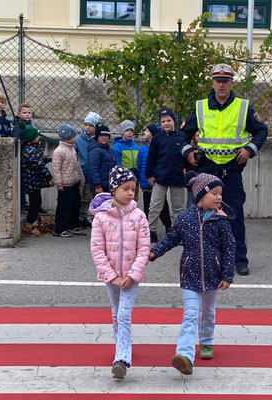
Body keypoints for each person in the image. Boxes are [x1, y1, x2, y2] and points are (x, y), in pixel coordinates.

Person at [180, 63, 268, 276]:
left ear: (231, 83)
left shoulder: (243, 107)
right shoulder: (200, 107)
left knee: (234, 216)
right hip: (207, 169)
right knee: (203, 216)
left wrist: (250, 149)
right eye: (218, 81)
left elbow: (261, 131)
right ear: (213, 83)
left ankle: (239, 260)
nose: (221, 85)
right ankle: (202, 258)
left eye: (225, 81)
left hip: (231, 170)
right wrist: (187, 151)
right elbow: (182, 134)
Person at [149, 171, 235, 375]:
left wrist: (227, 275)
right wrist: (155, 252)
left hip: (213, 275)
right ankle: (185, 355)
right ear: (200, 195)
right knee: (190, 314)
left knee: (208, 312)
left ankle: (206, 342)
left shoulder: (221, 221)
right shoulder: (185, 218)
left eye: (220, 193)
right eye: (214, 193)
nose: (219, 197)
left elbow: (229, 248)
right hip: (189, 275)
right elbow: (171, 239)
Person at [90, 165, 150, 379]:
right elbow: (97, 249)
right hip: (112, 276)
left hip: (132, 276)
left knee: (124, 314)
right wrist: (111, 276)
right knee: (116, 312)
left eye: (133, 189)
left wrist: (133, 275)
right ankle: (121, 345)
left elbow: (144, 248)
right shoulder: (101, 218)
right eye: (126, 189)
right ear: (114, 189)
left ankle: (122, 358)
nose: (130, 193)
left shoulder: (139, 216)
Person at [145, 109, 186, 243]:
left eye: (169, 120)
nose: (166, 123)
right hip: (160, 178)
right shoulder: (157, 139)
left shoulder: (181, 137)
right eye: (163, 121)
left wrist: (189, 175)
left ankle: (178, 233)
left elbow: (187, 158)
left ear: (174, 121)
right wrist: (148, 175)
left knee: (178, 208)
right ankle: (151, 231)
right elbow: (151, 158)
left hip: (177, 178)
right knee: (154, 206)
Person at [137, 124, 172, 233]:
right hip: (146, 183)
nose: (144, 132)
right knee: (148, 208)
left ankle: (168, 226)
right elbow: (139, 165)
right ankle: (149, 231)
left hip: (157, 182)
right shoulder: (142, 149)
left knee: (162, 207)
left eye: (147, 131)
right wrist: (142, 178)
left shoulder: (160, 147)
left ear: (153, 134)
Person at [52, 124, 85, 238]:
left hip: (74, 181)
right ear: (68, 137)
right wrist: (59, 183)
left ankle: (73, 224)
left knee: (75, 204)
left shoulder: (72, 149)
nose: (75, 138)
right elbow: (56, 169)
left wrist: (80, 178)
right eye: (73, 136)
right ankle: (60, 228)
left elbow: (77, 165)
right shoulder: (59, 151)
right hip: (65, 184)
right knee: (64, 206)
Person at [20, 121, 54, 227]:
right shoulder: (30, 151)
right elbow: (39, 166)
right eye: (37, 136)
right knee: (35, 202)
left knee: (37, 201)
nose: (39, 137)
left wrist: (48, 159)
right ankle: (30, 221)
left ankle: (32, 220)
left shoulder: (33, 148)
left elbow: (40, 160)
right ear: (32, 138)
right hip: (31, 181)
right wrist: (49, 178)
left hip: (33, 180)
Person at [75, 111, 101, 228]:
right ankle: (77, 217)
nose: (87, 127)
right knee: (79, 196)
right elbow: (74, 153)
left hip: (93, 173)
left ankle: (83, 216)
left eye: (90, 125)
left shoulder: (98, 140)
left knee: (88, 197)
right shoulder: (79, 140)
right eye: (85, 124)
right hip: (82, 172)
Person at [112, 119, 140, 200]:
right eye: (127, 130)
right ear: (122, 132)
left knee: (134, 197)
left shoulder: (135, 145)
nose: (129, 132)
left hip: (135, 176)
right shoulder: (117, 146)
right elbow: (117, 163)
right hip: (124, 177)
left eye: (131, 130)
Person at [87, 123, 115, 197]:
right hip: (99, 186)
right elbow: (93, 169)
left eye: (106, 135)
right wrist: (97, 185)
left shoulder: (109, 149)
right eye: (101, 135)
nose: (104, 137)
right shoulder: (94, 151)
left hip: (107, 184)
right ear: (97, 137)